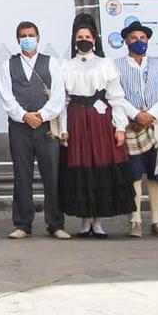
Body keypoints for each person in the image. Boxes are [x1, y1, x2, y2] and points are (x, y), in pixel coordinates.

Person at [58, 12, 132, 236]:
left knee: (99, 165)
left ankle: (97, 220)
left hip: (100, 121)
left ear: (94, 40)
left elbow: (116, 97)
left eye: (88, 36)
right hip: (76, 119)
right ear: (74, 40)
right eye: (80, 36)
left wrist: (120, 127)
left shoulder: (105, 64)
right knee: (80, 167)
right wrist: (63, 128)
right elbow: (62, 100)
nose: (84, 40)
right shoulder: (65, 66)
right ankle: (84, 220)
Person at [0, 21, 66, 240]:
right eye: (23, 35)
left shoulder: (51, 63)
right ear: (18, 40)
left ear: (38, 37)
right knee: (22, 174)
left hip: (45, 126)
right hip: (19, 127)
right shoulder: (8, 65)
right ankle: (23, 224)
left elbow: (59, 96)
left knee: (52, 174)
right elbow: (6, 96)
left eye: (31, 35)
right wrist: (24, 116)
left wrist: (42, 116)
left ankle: (55, 223)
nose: (27, 38)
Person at [114, 18, 158, 239]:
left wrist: (151, 114)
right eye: (133, 38)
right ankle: (135, 220)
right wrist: (137, 114)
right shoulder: (116, 66)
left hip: (156, 126)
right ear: (125, 42)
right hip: (132, 127)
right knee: (134, 175)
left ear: (148, 40)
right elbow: (116, 95)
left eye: (142, 38)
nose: (138, 41)